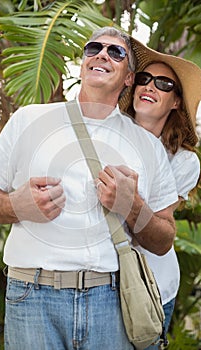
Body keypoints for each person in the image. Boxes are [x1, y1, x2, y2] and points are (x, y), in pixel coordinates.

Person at [0, 27, 178, 350]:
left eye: (115, 52)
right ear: (83, 63)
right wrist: (18, 205)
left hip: (110, 302)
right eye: (93, 48)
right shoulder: (27, 120)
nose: (101, 55)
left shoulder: (147, 147)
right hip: (32, 298)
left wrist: (132, 207)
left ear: (128, 78)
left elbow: (165, 239)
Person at [118, 40, 201, 349]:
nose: (150, 86)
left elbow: (154, 227)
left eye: (164, 84)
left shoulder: (183, 161)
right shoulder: (107, 133)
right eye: (144, 78)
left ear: (176, 102)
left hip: (151, 285)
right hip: (100, 281)